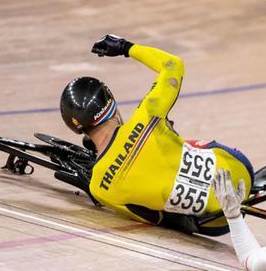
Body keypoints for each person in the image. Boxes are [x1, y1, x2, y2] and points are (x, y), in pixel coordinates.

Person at [60, 34, 253, 236]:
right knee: (175, 139)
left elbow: (152, 218)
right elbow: (173, 64)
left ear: (75, 126)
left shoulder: (99, 187)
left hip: (216, 223)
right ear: (110, 102)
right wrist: (125, 47)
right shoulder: (147, 115)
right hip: (239, 172)